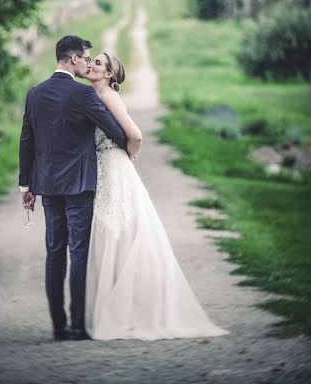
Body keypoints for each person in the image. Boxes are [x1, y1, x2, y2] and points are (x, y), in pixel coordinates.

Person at [84, 52, 229, 340]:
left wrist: (129, 155)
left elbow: (135, 135)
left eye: (98, 63)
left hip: (114, 168)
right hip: (104, 166)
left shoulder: (109, 97)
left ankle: (126, 311)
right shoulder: (94, 96)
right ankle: (117, 308)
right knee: (110, 236)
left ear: (110, 74)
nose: (91, 65)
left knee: (118, 234)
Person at [18, 35, 128, 341]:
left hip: (47, 186)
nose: (88, 63)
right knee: (78, 252)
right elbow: (115, 131)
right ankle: (77, 325)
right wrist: (127, 153)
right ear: (73, 59)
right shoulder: (83, 95)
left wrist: (25, 185)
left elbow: (26, 139)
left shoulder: (35, 93)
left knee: (54, 253)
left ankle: (57, 326)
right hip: (79, 185)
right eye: (86, 57)